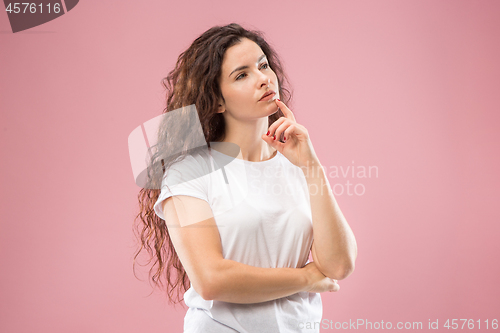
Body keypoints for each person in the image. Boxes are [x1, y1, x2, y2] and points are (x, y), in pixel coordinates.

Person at [133, 23, 358, 333]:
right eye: (242, 75)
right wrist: (306, 278)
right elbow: (212, 279)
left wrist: (312, 166)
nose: (263, 78)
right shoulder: (188, 172)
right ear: (219, 100)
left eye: (263, 65)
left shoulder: (297, 165)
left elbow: (339, 265)